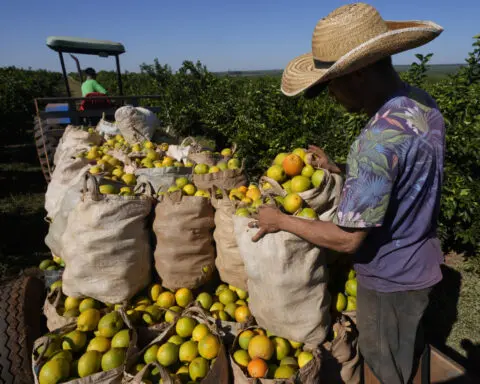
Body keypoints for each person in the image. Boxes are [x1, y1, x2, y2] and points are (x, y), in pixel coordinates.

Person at [251, 3, 445, 384]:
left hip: (392, 277)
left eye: (331, 85)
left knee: (387, 365)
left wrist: (279, 220)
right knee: (408, 348)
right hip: (422, 258)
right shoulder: (421, 104)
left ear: (356, 74)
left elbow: (346, 239)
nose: (332, 97)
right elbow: (402, 173)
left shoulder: (373, 144)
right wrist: (341, 169)